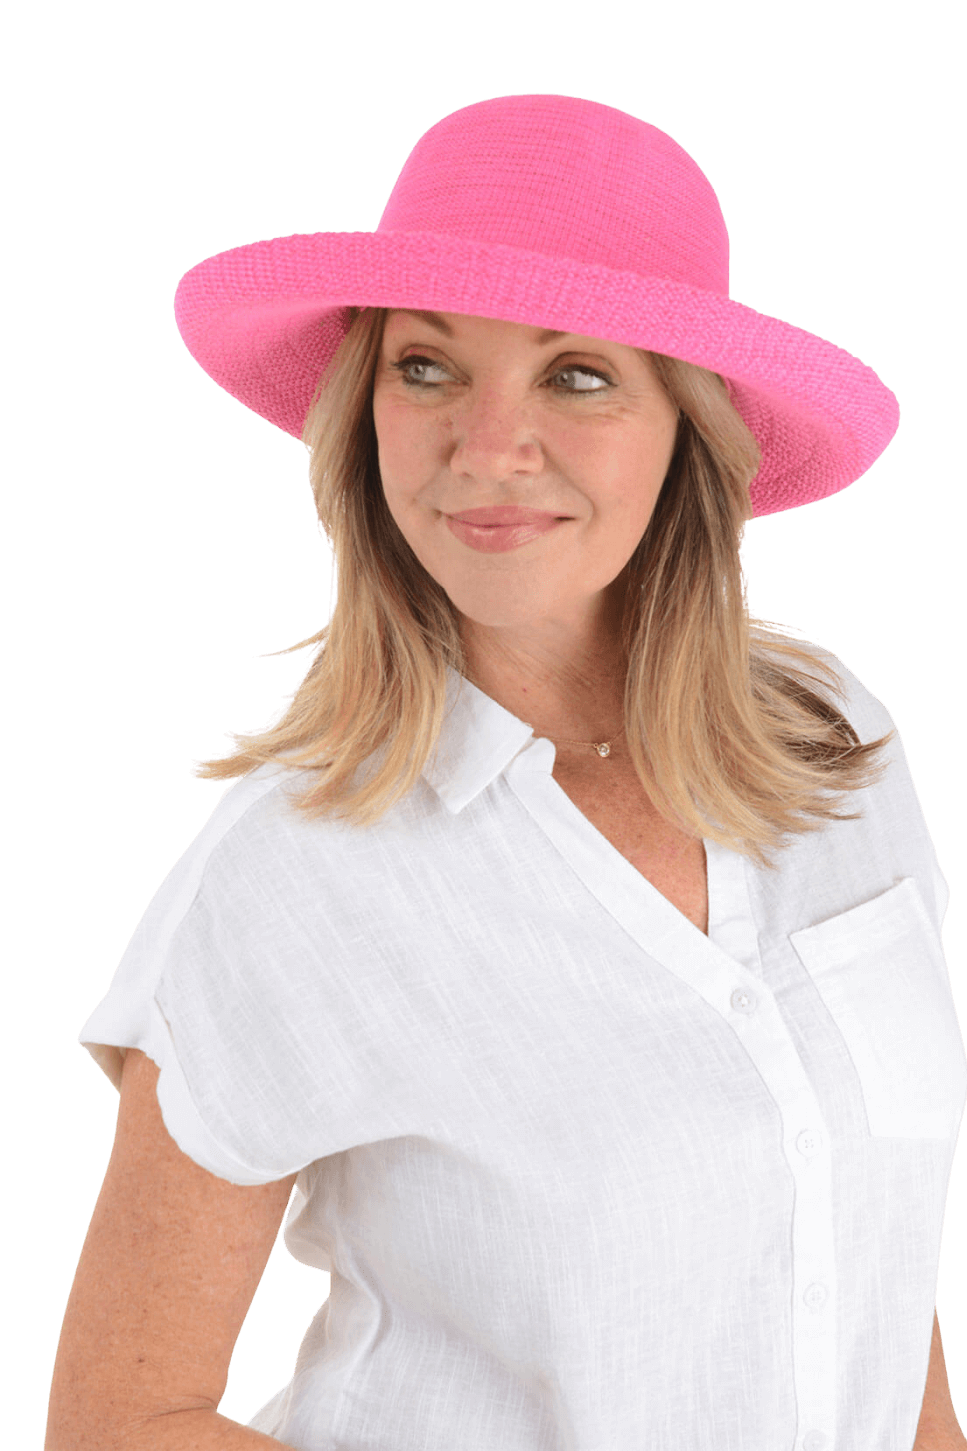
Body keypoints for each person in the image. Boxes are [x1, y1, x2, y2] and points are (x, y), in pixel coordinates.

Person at [47, 94, 965, 1451]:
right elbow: (121, 1419)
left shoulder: (835, 745)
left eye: (575, 374)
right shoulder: (296, 865)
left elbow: (859, 1256)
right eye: (424, 368)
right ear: (363, 410)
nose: (485, 445)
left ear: (686, 429)